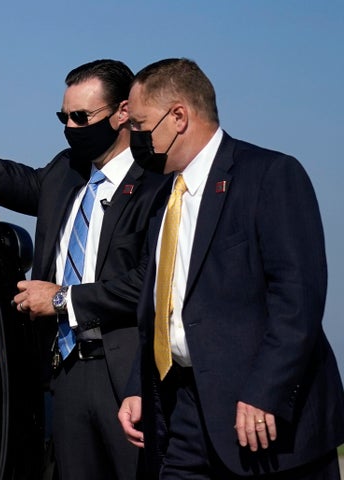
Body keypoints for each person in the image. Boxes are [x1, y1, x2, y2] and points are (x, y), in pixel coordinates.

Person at [0, 46, 170, 480]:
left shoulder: (156, 181)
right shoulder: (64, 172)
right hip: (63, 371)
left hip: (126, 375)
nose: (70, 127)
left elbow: (153, 281)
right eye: (63, 117)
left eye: (81, 118)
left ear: (123, 112)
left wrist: (64, 299)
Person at [117, 58, 344, 479]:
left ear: (179, 116)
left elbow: (298, 299)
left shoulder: (270, 175)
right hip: (182, 411)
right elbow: (161, 305)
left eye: (139, 123)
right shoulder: (162, 197)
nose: (132, 136)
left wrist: (266, 392)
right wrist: (138, 386)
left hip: (263, 421)